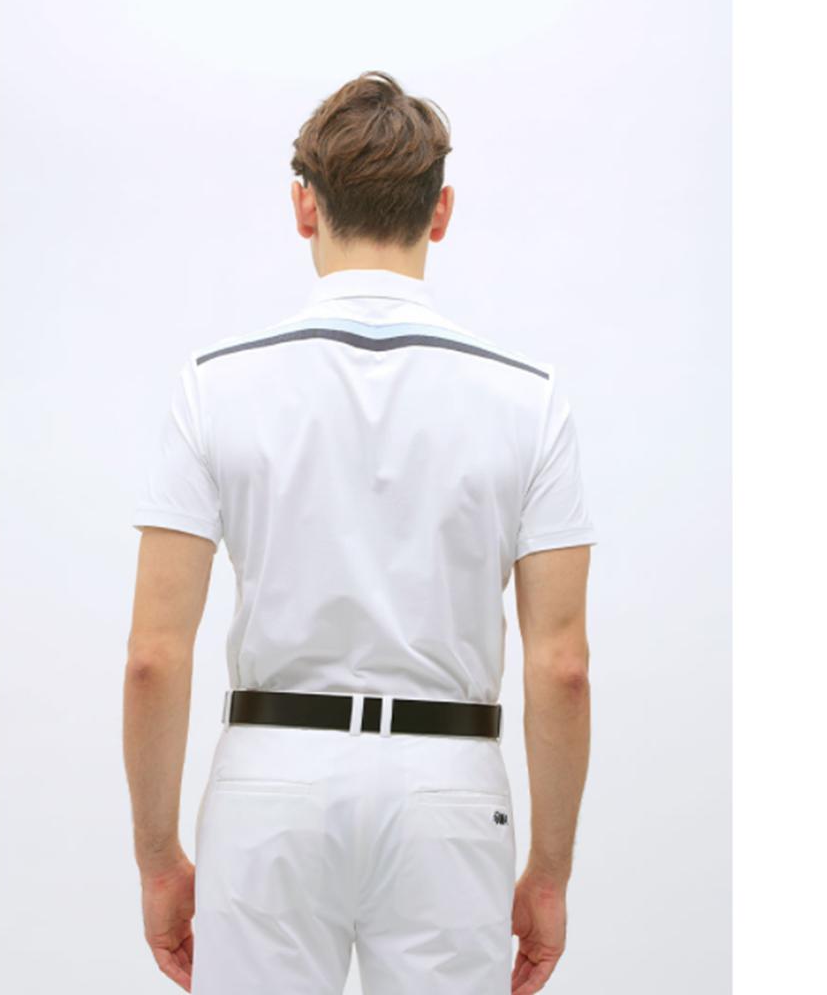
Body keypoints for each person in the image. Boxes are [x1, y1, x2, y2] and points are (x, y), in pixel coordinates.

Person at [123, 70, 596, 995]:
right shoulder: (530, 402)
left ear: (305, 205)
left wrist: (156, 858)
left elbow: (153, 656)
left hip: (269, 785)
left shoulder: (214, 388)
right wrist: (548, 875)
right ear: (441, 212)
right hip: (448, 791)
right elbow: (562, 667)